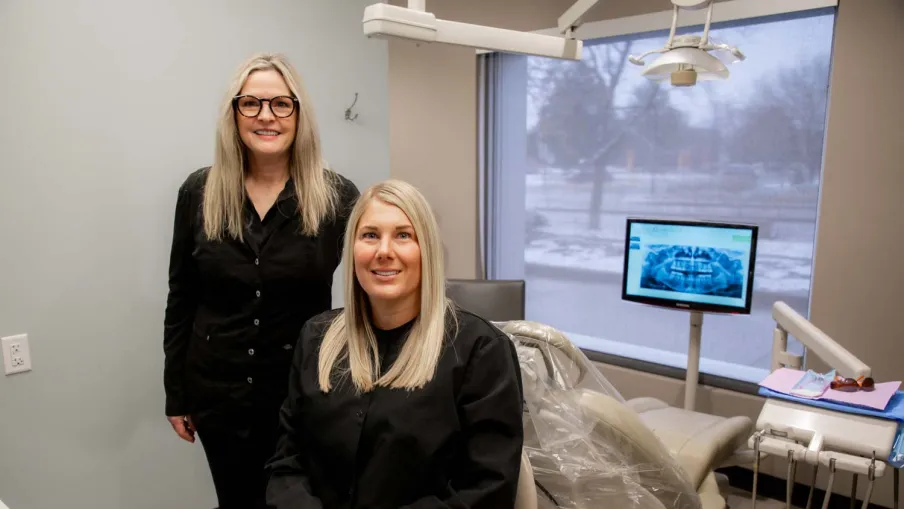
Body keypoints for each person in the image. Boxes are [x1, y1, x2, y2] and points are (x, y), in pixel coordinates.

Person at [162, 52, 360, 509]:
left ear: (298, 113)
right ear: (234, 115)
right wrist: (177, 393)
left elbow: (362, 294)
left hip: (303, 392)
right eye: (250, 104)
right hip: (218, 393)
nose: (265, 116)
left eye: (280, 104)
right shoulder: (200, 193)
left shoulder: (336, 198)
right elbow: (182, 297)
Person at [265, 179, 525, 509]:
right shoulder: (317, 338)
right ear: (352, 249)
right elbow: (287, 463)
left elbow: (488, 488)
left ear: (426, 249)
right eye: (370, 235)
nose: (384, 251)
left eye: (403, 235)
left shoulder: (481, 350)